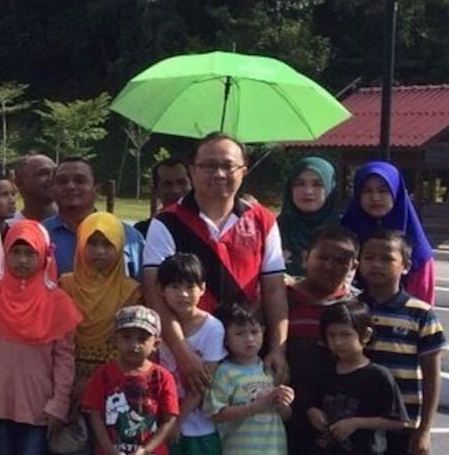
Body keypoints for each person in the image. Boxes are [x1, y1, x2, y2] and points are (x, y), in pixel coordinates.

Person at [142, 134, 287, 392]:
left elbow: (274, 289)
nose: (219, 173)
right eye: (208, 166)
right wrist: (182, 351)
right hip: (188, 350)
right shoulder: (166, 222)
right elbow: (154, 292)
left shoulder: (263, 220)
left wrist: (278, 348)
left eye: (228, 165)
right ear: (192, 171)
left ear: (243, 171)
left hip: (245, 351)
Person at [0, 219, 79, 455]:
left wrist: (58, 405)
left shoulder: (58, 302)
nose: (21, 260)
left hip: (38, 404)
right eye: (15, 252)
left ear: (43, 255)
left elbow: (64, 360)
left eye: (30, 253)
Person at [354, 229, 444, 453]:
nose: (376, 264)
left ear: (405, 265)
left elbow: (431, 375)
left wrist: (424, 430)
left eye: (387, 258)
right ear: (358, 263)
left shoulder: (420, 314)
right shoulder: (351, 309)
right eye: (369, 258)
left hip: (403, 424)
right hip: (357, 421)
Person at [284, 227, 357, 454]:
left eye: (340, 261)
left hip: (333, 414)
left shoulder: (355, 307)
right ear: (306, 257)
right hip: (285, 405)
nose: (329, 266)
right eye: (322, 257)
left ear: (353, 267)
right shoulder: (282, 298)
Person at [299, 302, 406, 454]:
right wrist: (313, 412)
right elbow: (310, 402)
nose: (338, 342)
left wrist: (357, 423)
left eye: (345, 335)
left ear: (366, 335)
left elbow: (398, 421)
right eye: (332, 335)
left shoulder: (378, 376)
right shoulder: (323, 371)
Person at [153, 254, 228, 455]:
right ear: (161, 290)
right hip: (160, 422)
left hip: (199, 426)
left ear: (202, 288)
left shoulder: (213, 328)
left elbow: (203, 383)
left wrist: (176, 420)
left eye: (190, 287)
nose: (183, 294)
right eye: (175, 287)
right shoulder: (157, 325)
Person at [80, 306, 180, 455]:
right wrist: (109, 450)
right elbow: (95, 415)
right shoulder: (104, 374)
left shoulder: (162, 377)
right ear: (115, 339)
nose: (134, 345)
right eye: (126, 337)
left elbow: (169, 420)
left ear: (156, 344)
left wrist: (146, 450)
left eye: (142, 339)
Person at [60, 212, 145, 388]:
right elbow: (59, 339)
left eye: (108, 244)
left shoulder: (131, 291)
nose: (99, 251)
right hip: (65, 377)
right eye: (92, 242)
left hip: (112, 380)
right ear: (81, 243)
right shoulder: (65, 285)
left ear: (120, 246)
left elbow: (129, 340)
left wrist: (96, 382)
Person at [341, 161, 437, 304]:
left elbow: (423, 310)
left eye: (383, 190)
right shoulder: (344, 237)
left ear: (396, 193)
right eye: (366, 191)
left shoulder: (418, 253)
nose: (375, 197)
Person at [206, 305, 294, 455]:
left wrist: (283, 402)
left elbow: (285, 416)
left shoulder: (268, 369)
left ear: (263, 332)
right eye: (239, 334)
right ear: (225, 338)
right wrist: (255, 407)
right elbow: (216, 413)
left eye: (254, 332)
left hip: (274, 448)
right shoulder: (224, 372)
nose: (249, 339)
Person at [43, 158, 142, 276]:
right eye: (62, 181)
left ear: (97, 189)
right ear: (53, 189)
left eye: (80, 181)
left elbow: (145, 286)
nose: (70, 186)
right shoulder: (40, 234)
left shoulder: (127, 235)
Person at [277, 157, 343, 279]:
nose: (308, 191)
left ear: (330, 189)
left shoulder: (344, 231)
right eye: (300, 184)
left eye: (317, 184)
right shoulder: (273, 230)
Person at [13, 154, 58, 222]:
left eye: (55, 172)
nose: (52, 178)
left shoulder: (74, 224)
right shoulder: (8, 227)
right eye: (43, 173)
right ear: (19, 182)